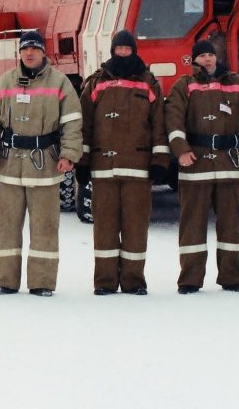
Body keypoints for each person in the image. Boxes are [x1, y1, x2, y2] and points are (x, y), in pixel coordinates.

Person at [0, 30, 83, 297]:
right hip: (10, 167)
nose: (29, 53)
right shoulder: (3, 83)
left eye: (34, 49)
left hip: (45, 167)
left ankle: (42, 282)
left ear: (43, 52)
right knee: (8, 228)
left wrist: (69, 154)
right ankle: (5, 281)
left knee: (45, 227)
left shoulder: (60, 83)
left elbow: (72, 122)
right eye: (25, 49)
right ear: (20, 52)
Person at [165, 39, 239, 294]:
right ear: (194, 60)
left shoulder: (237, 82)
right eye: (202, 56)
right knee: (192, 224)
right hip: (195, 163)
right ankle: (190, 279)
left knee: (230, 224)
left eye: (210, 55)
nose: (208, 59)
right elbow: (173, 120)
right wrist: (181, 151)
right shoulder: (184, 85)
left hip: (228, 164)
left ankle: (231, 277)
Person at [79, 30, 169, 296]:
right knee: (104, 227)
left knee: (135, 228)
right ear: (112, 51)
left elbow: (159, 125)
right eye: (118, 49)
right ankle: (105, 282)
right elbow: (85, 125)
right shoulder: (96, 82)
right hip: (103, 168)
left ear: (134, 51)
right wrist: (82, 162)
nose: (122, 53)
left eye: (127, 49)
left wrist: (160, 160)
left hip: (138, 168)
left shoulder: (148, 82)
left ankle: (133, 281)